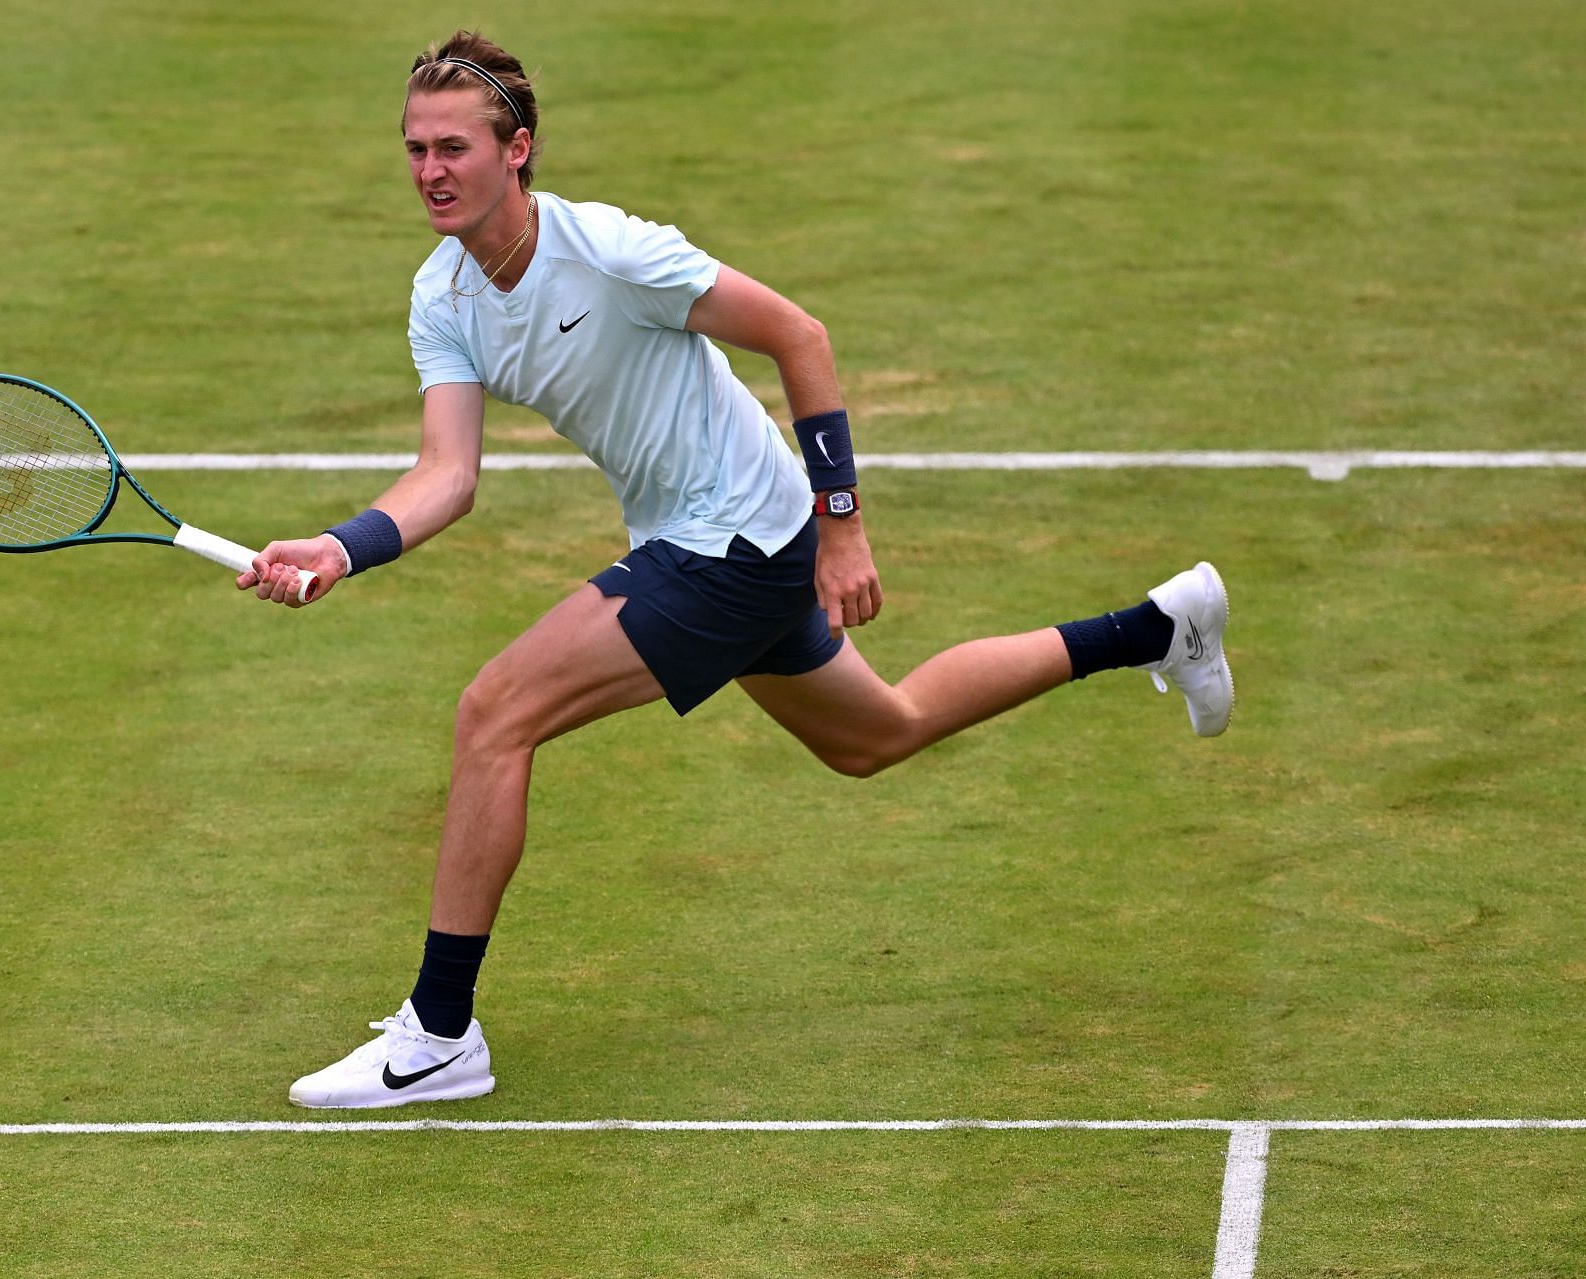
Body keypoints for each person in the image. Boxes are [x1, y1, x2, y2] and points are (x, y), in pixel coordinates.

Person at [238, 31, 1234, 1109]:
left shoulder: (614, 251)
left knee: (495, 713)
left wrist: (840, 526)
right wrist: (342, 545)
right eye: (414, 150)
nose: (430, 172)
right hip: (696, 532)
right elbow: (446, 475)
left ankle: (437, 1032)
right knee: (878, 733)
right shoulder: (444, 296)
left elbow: (798, 336)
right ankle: (1157, 628)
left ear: (516, 150)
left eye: (454, 150)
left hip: (742, 534)